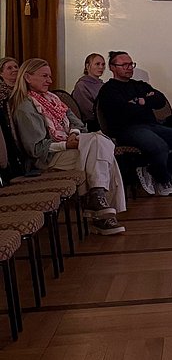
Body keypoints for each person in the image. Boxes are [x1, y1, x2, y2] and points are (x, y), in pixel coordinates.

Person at [9, 58, 126, 234]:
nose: (49, 80)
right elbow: (36, 149)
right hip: (46, 159)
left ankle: (98, 202)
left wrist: (74, 134)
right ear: (27, 77)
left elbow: (78, 124)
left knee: (100, 144)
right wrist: (65, 144)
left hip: (68, 149)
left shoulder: (53, 98)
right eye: (44, 76)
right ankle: (100, 209)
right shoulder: (25, 107)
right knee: (101, 148)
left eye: (50, 76)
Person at [97, 51, 172, 196]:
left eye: (131, 64)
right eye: (124, 65)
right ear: (112, 67)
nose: (129, 68)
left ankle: (154, 170)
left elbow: (160, 100)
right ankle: (163, 179)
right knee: (160, 146)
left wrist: (141, 101)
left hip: (153, 125)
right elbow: (122, 112)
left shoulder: (139, 85)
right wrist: (143, 102)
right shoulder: (109, 90)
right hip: (127, 129)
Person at [0, 56, 26, 181]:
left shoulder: (24, 91)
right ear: (1, 73)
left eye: (16, 67)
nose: (14, 70)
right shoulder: (2, 93)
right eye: (9, 68)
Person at [71, 53, 106, 130]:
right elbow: (87, 111)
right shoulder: (82, 85)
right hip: (94, 123)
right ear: (87, 66)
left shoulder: (103, 84)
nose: (101, 67)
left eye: (103, 64)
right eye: (97, 64)